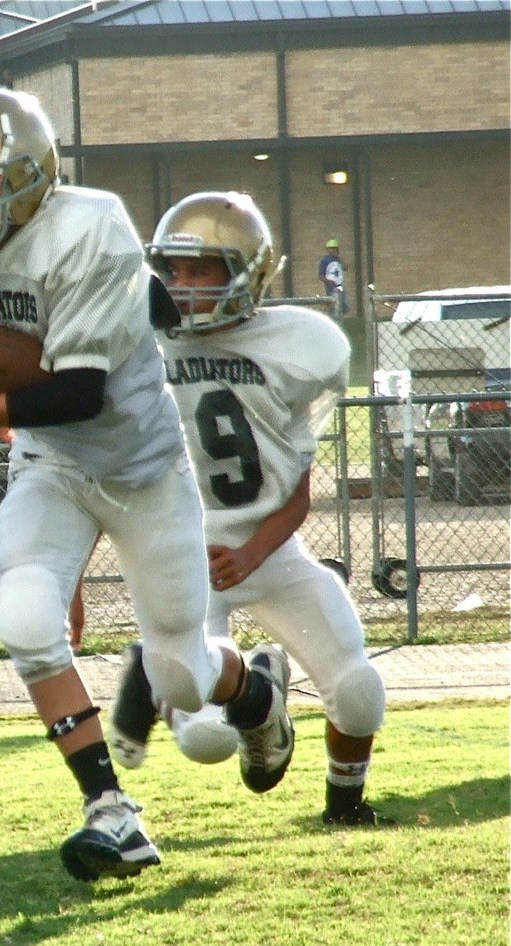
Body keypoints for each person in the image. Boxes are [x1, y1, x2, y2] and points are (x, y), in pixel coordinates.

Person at [0, 87, 295, 884]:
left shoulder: (92, 230)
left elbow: (79, 389)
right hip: (51, 462)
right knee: (24, 616)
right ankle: (110, 809)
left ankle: (255, 693)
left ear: (29, 173)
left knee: (180, 671)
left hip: (142, 469)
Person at [103, 191, 391, 827]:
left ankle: (345, 811)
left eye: (202, 269)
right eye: (173, 270)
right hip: (184, 560)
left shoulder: (296, 344)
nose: (183, 286)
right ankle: (247, 694)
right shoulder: (136, 344)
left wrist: (253, 552)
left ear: (248, 272)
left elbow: (296, 487)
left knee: (359, 690)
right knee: (205, 738)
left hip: (269, 549)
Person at [318, 238, 348, 316]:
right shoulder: (325, 260)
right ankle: (334, 318)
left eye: (335, 248)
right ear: (328, 249)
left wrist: (341, 259)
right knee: (334, 305)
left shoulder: (339, 259)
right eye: (331, 248)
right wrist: (327, 281)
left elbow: (346, 268)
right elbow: (320, 275)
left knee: (345, 305)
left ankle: (339, 317)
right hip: (331, 287)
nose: (333, 250)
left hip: (340, 286)